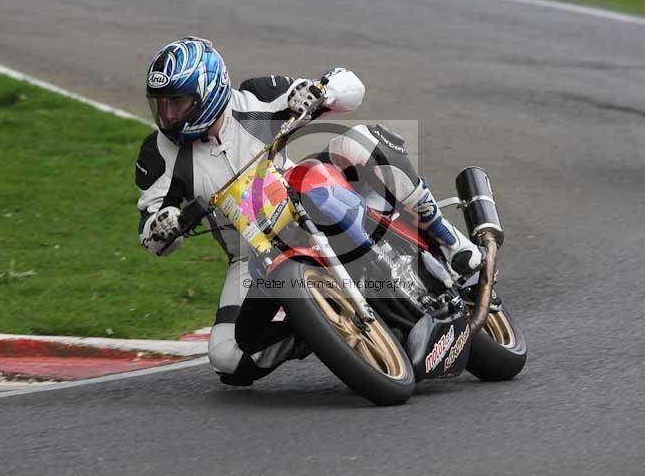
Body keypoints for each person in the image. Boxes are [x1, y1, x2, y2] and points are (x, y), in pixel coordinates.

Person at [135, 37, 483, 385]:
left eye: (177, 103)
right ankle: (322, 328)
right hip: (249, 251)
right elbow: (151, 236)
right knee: (227, 357)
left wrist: (322, 92)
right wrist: (163, 227)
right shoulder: (157, 154)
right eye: (162, 105)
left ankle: (445, 235)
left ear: (209, 93)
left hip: (303, 196)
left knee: (358, 139)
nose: (168, 115)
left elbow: (352, 88)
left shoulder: (257, 96)